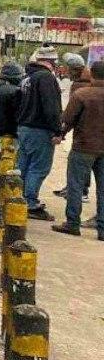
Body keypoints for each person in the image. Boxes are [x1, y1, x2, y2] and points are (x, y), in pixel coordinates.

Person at [52, 60, 104, 240]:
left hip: (83, 147)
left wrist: (60, 135)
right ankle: (102, 229)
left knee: (75, 185)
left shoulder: (82, 94)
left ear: (92, 74)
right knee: (103, 189)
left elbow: (68, 119)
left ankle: (72, 223)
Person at [15, 46, 64, 221]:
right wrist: (57, 131)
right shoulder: (46, 78)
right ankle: (30, 202)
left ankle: (17, 198)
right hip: (40, 130)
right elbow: (51, 108)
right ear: (52, 62)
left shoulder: (27, 78)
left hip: (24, 128)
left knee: (23, 166)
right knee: (39, 168)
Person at [54, 53, 92, 201]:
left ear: (75, 69)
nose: (66, 72)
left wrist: (61, 133)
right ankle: (75, 189)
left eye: (68, 69)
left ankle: (80, 191)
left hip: (83, 134)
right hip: (88, 132)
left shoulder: (80, 85)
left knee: (80, 164)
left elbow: (72, 114)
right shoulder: (86, 81)